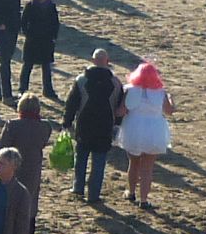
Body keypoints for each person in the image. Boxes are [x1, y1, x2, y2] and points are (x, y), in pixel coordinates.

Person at [60, 51, 121, 205]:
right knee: (99, 162)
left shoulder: (81, 80)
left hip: (84, 125)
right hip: (105, 126)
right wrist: (117, 126)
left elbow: (71, 103)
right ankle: (94, 194)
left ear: (93, 60)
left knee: (81, 158)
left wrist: (67, 122)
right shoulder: (115, 83)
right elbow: (119, 106)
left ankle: (78, 187)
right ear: (108, 61)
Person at [115, 59, 175, 202]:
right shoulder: (161, 93)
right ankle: (144, 200)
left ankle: (131, 192)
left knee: (133, 163)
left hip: (133, 129)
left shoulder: (129, 90)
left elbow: (120, 111)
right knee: (147, 168)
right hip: (154, 131)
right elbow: (169, 111)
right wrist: (172, 100)